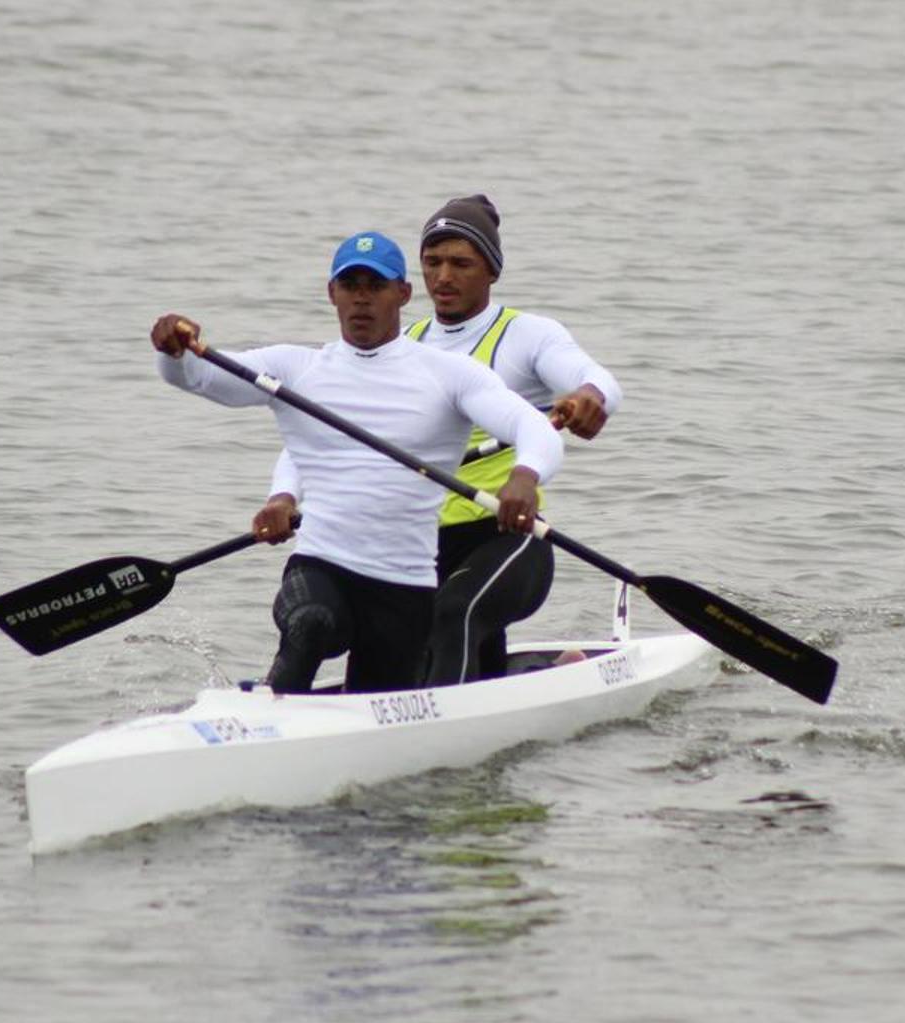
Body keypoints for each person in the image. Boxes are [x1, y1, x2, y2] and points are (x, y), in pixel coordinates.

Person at [151, 231, 562, 696]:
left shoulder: (450, 375)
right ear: (332, 294)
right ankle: (270, 713)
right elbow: (200, 377)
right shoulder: (295, 369)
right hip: (321, 566)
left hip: (403, 587)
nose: (361, 299)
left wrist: (525, 477)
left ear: (403, 294)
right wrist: (173, 351)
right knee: (311, 623)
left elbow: (535, 430)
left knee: (380, 694)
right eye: (350, 285)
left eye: (376, 285)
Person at [280, 195, 622, 684]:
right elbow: (323, 433)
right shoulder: (404, 346)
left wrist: (588, 395)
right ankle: (513, 679)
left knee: (453, 612)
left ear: (492, 271)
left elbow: (598, 378)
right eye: (432, 262)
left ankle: (440, 735)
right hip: (415, 546)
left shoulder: (527, 336)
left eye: (461, 263)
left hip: (506, 536)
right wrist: (288, 495)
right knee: (392, 649)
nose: (443, 277)